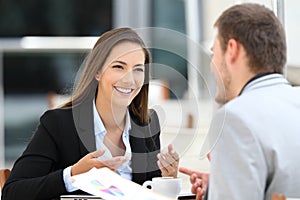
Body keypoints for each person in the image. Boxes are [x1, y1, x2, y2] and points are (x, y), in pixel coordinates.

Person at [2, 27, 179, 200]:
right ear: (97, 72)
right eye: (119, 66)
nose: (129, 79)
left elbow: (150, 192)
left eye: (138, 69)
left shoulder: (147, 124)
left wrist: (168, 178)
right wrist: (73, 175)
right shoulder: (59, 123)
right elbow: (12, 192)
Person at [180, 3, 300, 200]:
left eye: (214, 52)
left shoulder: (236, 118)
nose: (211, 66)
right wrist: (222, 183)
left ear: (232, 50)